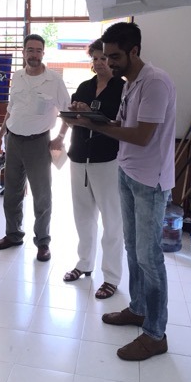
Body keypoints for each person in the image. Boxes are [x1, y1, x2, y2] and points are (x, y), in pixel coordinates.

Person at [62, 22, 175, 361]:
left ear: (134, 51)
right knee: (132, 247)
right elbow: (121, 125)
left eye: (114, 56)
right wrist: (87, 121)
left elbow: (141, 136)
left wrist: (95, 125)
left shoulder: (154, 82)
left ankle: (155, 334)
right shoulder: (131, 82)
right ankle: (138, 309)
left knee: (149, 256)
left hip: (149, 180)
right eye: (104, 57)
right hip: (127, 171)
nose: (108, 63)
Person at [0, 34, 70, 262]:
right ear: (23, 52)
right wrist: (1, 135)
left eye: (38, 50)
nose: (34, 55)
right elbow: (11, 108)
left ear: (43, 53)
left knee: (42, 196)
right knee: (12, 193)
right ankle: (13, 234)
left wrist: (60, 137)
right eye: (30, 50)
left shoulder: (54, 80)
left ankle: (43, 242)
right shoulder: (17, 76)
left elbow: (67, 112)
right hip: (14, 141)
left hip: (39, 143)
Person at [63, 39, 125, 300]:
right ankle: (84, 263)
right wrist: (73, 112)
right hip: (78, 156)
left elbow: (123, 123)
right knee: (83, 215)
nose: (100, 63)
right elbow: (70, 117)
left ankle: (111, 277)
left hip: (107, 158)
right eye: (96, 59)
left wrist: (90, 114)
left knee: (112, 221)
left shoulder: (122, 88)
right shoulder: (85, 86)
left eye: (104, 58)